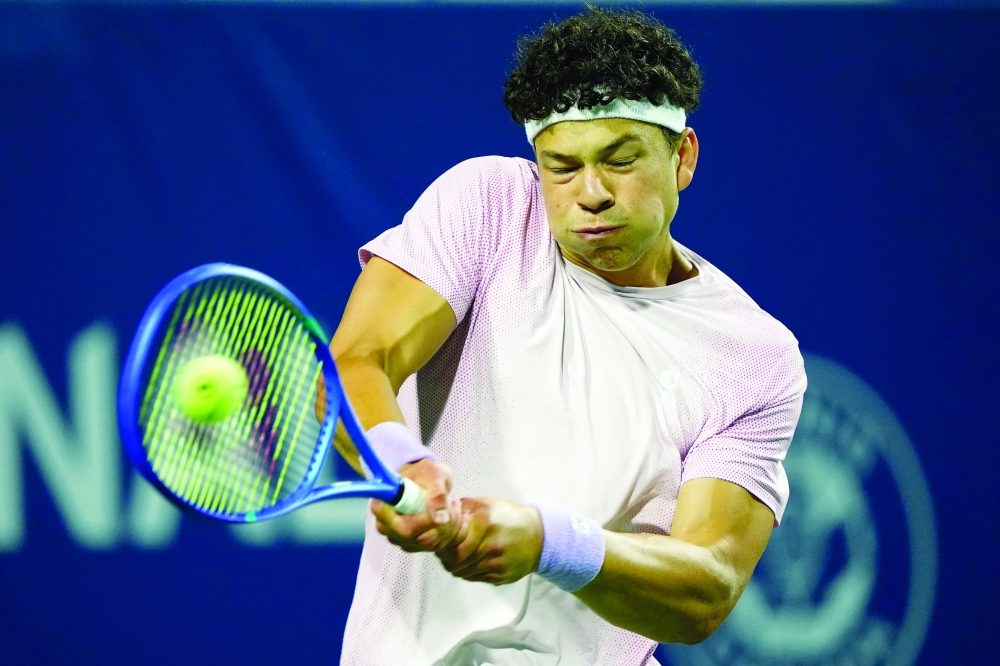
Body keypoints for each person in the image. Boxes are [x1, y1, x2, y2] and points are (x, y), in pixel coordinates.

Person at [331, 7, 806, 665]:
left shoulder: (755, 358)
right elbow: (360, 359)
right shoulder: (488, 206)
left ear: (683, 156)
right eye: (561, 166)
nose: (590, 193)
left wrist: (552, 543)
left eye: (620, 159)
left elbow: (707, 587)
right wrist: (398, 460)